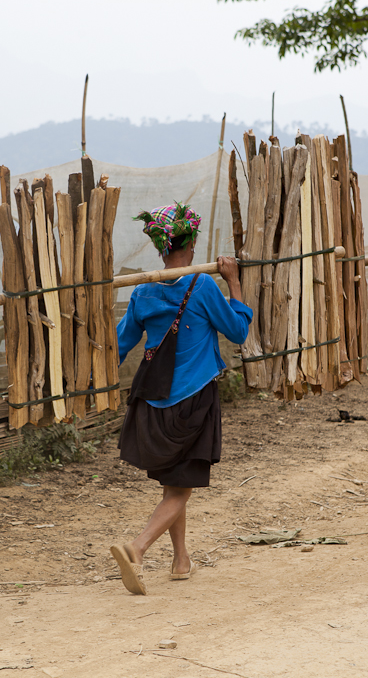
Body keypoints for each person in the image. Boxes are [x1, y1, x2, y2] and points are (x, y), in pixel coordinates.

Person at [109, 203, 252, 595]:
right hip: (193, 402)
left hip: (152, 408)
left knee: (174, 483)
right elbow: (238, 331)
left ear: (160, 247)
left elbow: (119, 347)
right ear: (191, 242)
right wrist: (234, 283)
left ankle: (181, 559)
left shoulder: (142, 292)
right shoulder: (202, 286)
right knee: (180, 489)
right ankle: (136, 549)